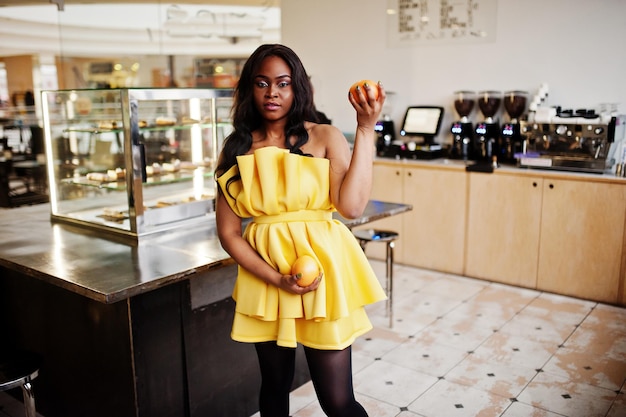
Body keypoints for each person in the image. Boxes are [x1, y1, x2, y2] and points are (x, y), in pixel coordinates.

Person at [214, 43, 387, 417]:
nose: (272, 93)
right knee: (274, 389)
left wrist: (365, 128)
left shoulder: (324, 136)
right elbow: (229, 233)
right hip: (266, 278)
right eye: (261, 83)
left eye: (282, 83)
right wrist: (275, 279)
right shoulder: (236, 148)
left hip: (323, 277)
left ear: (297, 89)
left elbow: (351, 207)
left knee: (338, 401)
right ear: (249, 89)